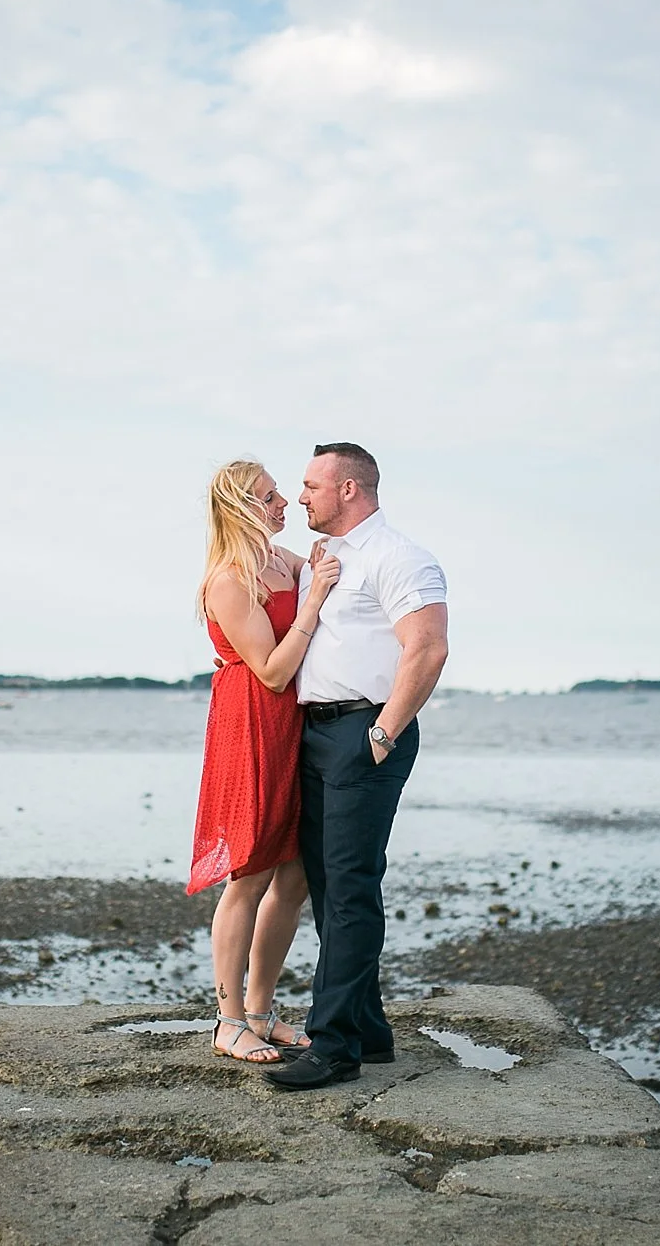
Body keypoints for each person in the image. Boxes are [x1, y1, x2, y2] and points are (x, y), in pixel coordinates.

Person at [265, 442, 449, 1090]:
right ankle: (368, 1031)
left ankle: (335, 1045)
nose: (303, 496)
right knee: (328, 885)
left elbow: (426, 648)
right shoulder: (331, 558)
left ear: (349, 489)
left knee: (349, 890)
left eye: (312, 485)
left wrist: (382, 731)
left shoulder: (400, 557)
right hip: (317, 733)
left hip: (362, 732)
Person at [191, 459, 341, 1063]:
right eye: (270, 496)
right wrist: (314, 602)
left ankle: (260, 1010)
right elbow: (274, 671)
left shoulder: (285, 562)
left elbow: (337, 571)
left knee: (296, 875)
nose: (285, 504)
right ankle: (228, 1023)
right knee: (248, 874)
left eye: (282, 493)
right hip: (251, 724)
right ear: (240, 506)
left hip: (293, 727)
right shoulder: (229, 579)